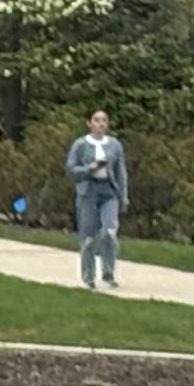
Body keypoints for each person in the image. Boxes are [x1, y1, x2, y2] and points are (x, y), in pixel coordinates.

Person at [68, 110, 129, 289]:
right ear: (89, 123)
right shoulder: (80, 145)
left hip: (108, 192)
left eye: (104, 120)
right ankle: (88, 276)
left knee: (110, 232)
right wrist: (88, 169)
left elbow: (121, 172)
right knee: (88, 238)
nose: (100, 124)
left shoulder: (115, 145)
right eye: (96, 120)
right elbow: (71, 169)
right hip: (88, 192)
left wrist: (123, 197)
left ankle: (109, 273)